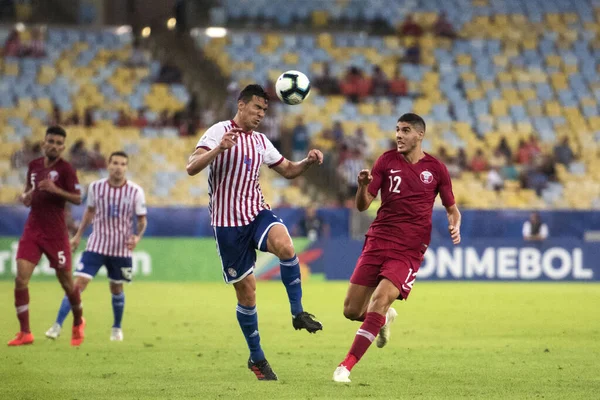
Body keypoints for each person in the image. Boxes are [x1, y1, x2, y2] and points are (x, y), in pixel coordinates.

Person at [186, 84, 324, 381]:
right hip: (227, 225)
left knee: (286, 247)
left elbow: (287, 169)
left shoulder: (261, 141)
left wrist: (307, 163)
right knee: (247, 294)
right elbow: (191, 167)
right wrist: (218, 148)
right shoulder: (217, 131)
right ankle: (257, 358)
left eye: (265, 110)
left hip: (256, 213)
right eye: (257, 108)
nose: (261, 114)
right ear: (241, 104)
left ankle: (298, 312)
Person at [332, 113, 461, 383]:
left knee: (379, 299)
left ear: (420, 135)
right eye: (397, 130)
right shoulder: (385, 160)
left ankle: (346, 366)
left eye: (405, 130)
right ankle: (383, 318)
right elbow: (362, 205)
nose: (399, 135)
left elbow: (452, 209)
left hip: (409, 248)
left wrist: (454, 224)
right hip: (378, 239)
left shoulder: (436, 169)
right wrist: (363, 186)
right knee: (351, 311)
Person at [45, 151, 147, 342]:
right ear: (108, 165)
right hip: (96, 245)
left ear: (126, 167)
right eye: (115, 163)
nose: (118, 167)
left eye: (123, 164)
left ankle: (116, 328)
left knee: (116, 289)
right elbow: (89, 213)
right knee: (77, 285)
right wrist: (77, 236)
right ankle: (57, 326)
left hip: (121, 249)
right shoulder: (95, 187)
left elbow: (142, 220)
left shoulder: (135, 191)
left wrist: (137, 237)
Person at [8, 126, 85, 347]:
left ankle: (78, 322)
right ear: (44, 143)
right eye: (50, 141)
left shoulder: (67, 170)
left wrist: (55, 189)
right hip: (32, 229)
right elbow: (28, 190)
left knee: (68, 285)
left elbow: (78, 199)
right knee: (21, 279)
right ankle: (25, 333)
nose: (54, 146)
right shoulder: (33, 166)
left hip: (56, 234)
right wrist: (25, 197)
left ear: (63, 147)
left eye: (59, 143)